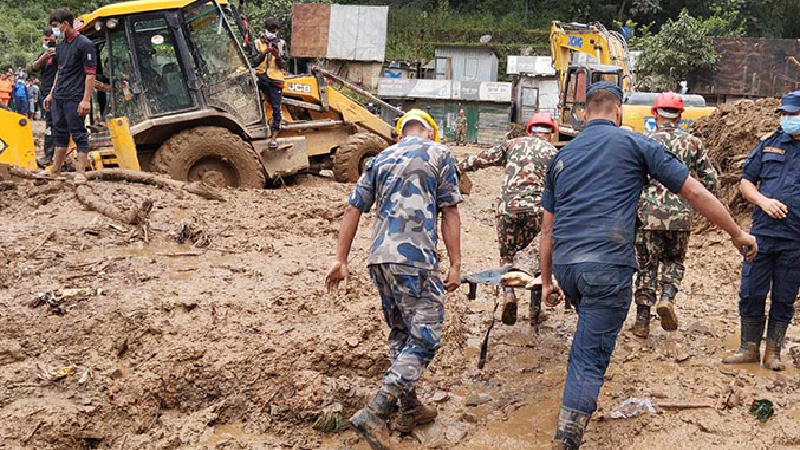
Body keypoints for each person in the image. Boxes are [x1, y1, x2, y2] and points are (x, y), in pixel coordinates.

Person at [539, 82, 756, 450]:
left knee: (589, 331)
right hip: (606, 264)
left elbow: (547, 226)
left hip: (566, 266)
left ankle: (579, 397)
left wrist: (546, 282)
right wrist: (736, 232)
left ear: (583, 113)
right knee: (588, 355)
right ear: (619, 112)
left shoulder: (562, 155)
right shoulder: (634, 143)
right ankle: (567, 436)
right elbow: (695, 191)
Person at [325, 109, 462, 449]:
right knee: (426, 337)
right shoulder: (439, 153)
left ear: (401, 134)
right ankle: (376, 410)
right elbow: (450, 211)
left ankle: (410, 407)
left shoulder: (380, 158)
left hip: (379, 260)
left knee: (402, 333)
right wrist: (456, 264)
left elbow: (353, 208)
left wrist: (340, 260)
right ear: (429, 132)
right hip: (415, 258)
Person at [722, 91, 800, 371]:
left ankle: (773, 352)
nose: (788, 119)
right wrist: (763, 201)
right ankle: (749, 348)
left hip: (795, 239)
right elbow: (745, 182)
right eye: (786, 114)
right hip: (761, 235)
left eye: (794, 114)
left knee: (784, 295)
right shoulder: (768, 145)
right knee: (751, 291)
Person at [458, 112, 559, 325]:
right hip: (538, 210)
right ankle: (534, 309)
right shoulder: (553, 152)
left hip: (508, 209)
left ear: (529, 130)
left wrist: (458, 167)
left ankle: (509, 296)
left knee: (507, 257)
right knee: (539, 258)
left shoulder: (512, 144)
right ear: (551, 134)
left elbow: (480, 159)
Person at [632, 92, 718, 338]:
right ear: (680, 116)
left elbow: (632, 180)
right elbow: (710, 179)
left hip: (648, 216)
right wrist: (701, 208)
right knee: (674, 261)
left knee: (646, 266)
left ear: (654, 114)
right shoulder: (693, 143)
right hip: (681, 217)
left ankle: (642, 321)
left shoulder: (644, 141)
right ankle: (667, 299)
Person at [44, 8, 97, 179]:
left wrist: (86, 100)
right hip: (59, 96)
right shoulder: (61, 46)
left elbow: (90, 74)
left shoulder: (85, 44)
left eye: (56, 26)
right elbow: (60, 72)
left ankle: (81, 173)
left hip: (75, 96)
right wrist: (51, 93)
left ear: (65, 24)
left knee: (79, 133)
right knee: (60, 134)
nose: (55, 30)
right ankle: (55, 171)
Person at [253, 17, 287, 139]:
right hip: (260, 77)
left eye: (274, 31)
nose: (272, 33)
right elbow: (254, 62)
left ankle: (275, 135)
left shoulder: (281, 44)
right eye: (270, 30)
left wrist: (277, 57)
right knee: (253, 104)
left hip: (274, 79)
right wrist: (264, 53)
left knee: (277, 108)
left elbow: (284, 64)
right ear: (266, 29)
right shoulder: (257, 43)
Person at [32, 28, 59, 166]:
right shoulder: (43, 55)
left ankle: (60, 157)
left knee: (60, 124)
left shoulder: (62, 52)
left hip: (59, 93)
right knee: (49, 125)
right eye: (46, 40)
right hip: (45, 93)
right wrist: (45, 56)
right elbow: (34, 68)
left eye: (51, 40)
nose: (49, 43)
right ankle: (48, 155)